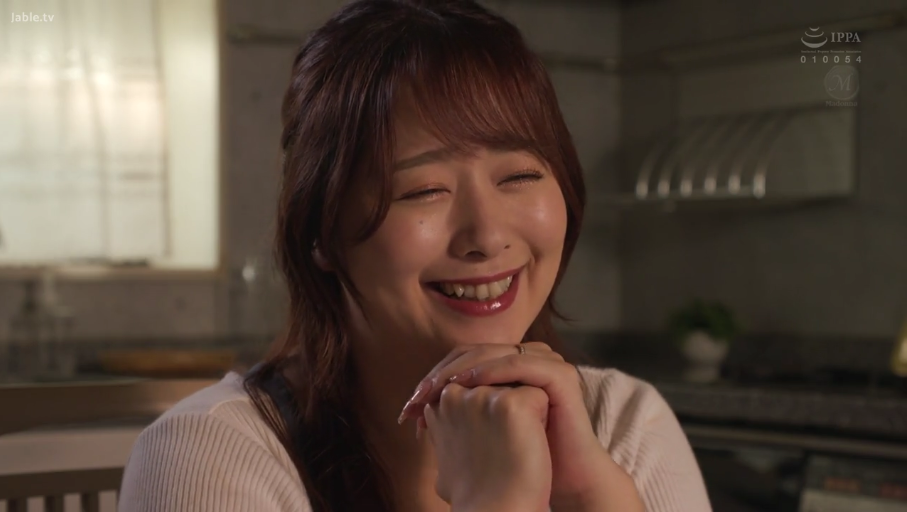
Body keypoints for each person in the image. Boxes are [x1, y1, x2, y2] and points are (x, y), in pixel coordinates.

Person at [118, 1, 712, 511]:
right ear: (320, 232)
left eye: (520, 175)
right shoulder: (209, 452)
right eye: (423, 190)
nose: (487, 236)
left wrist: (591, 499)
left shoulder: (622, 422)